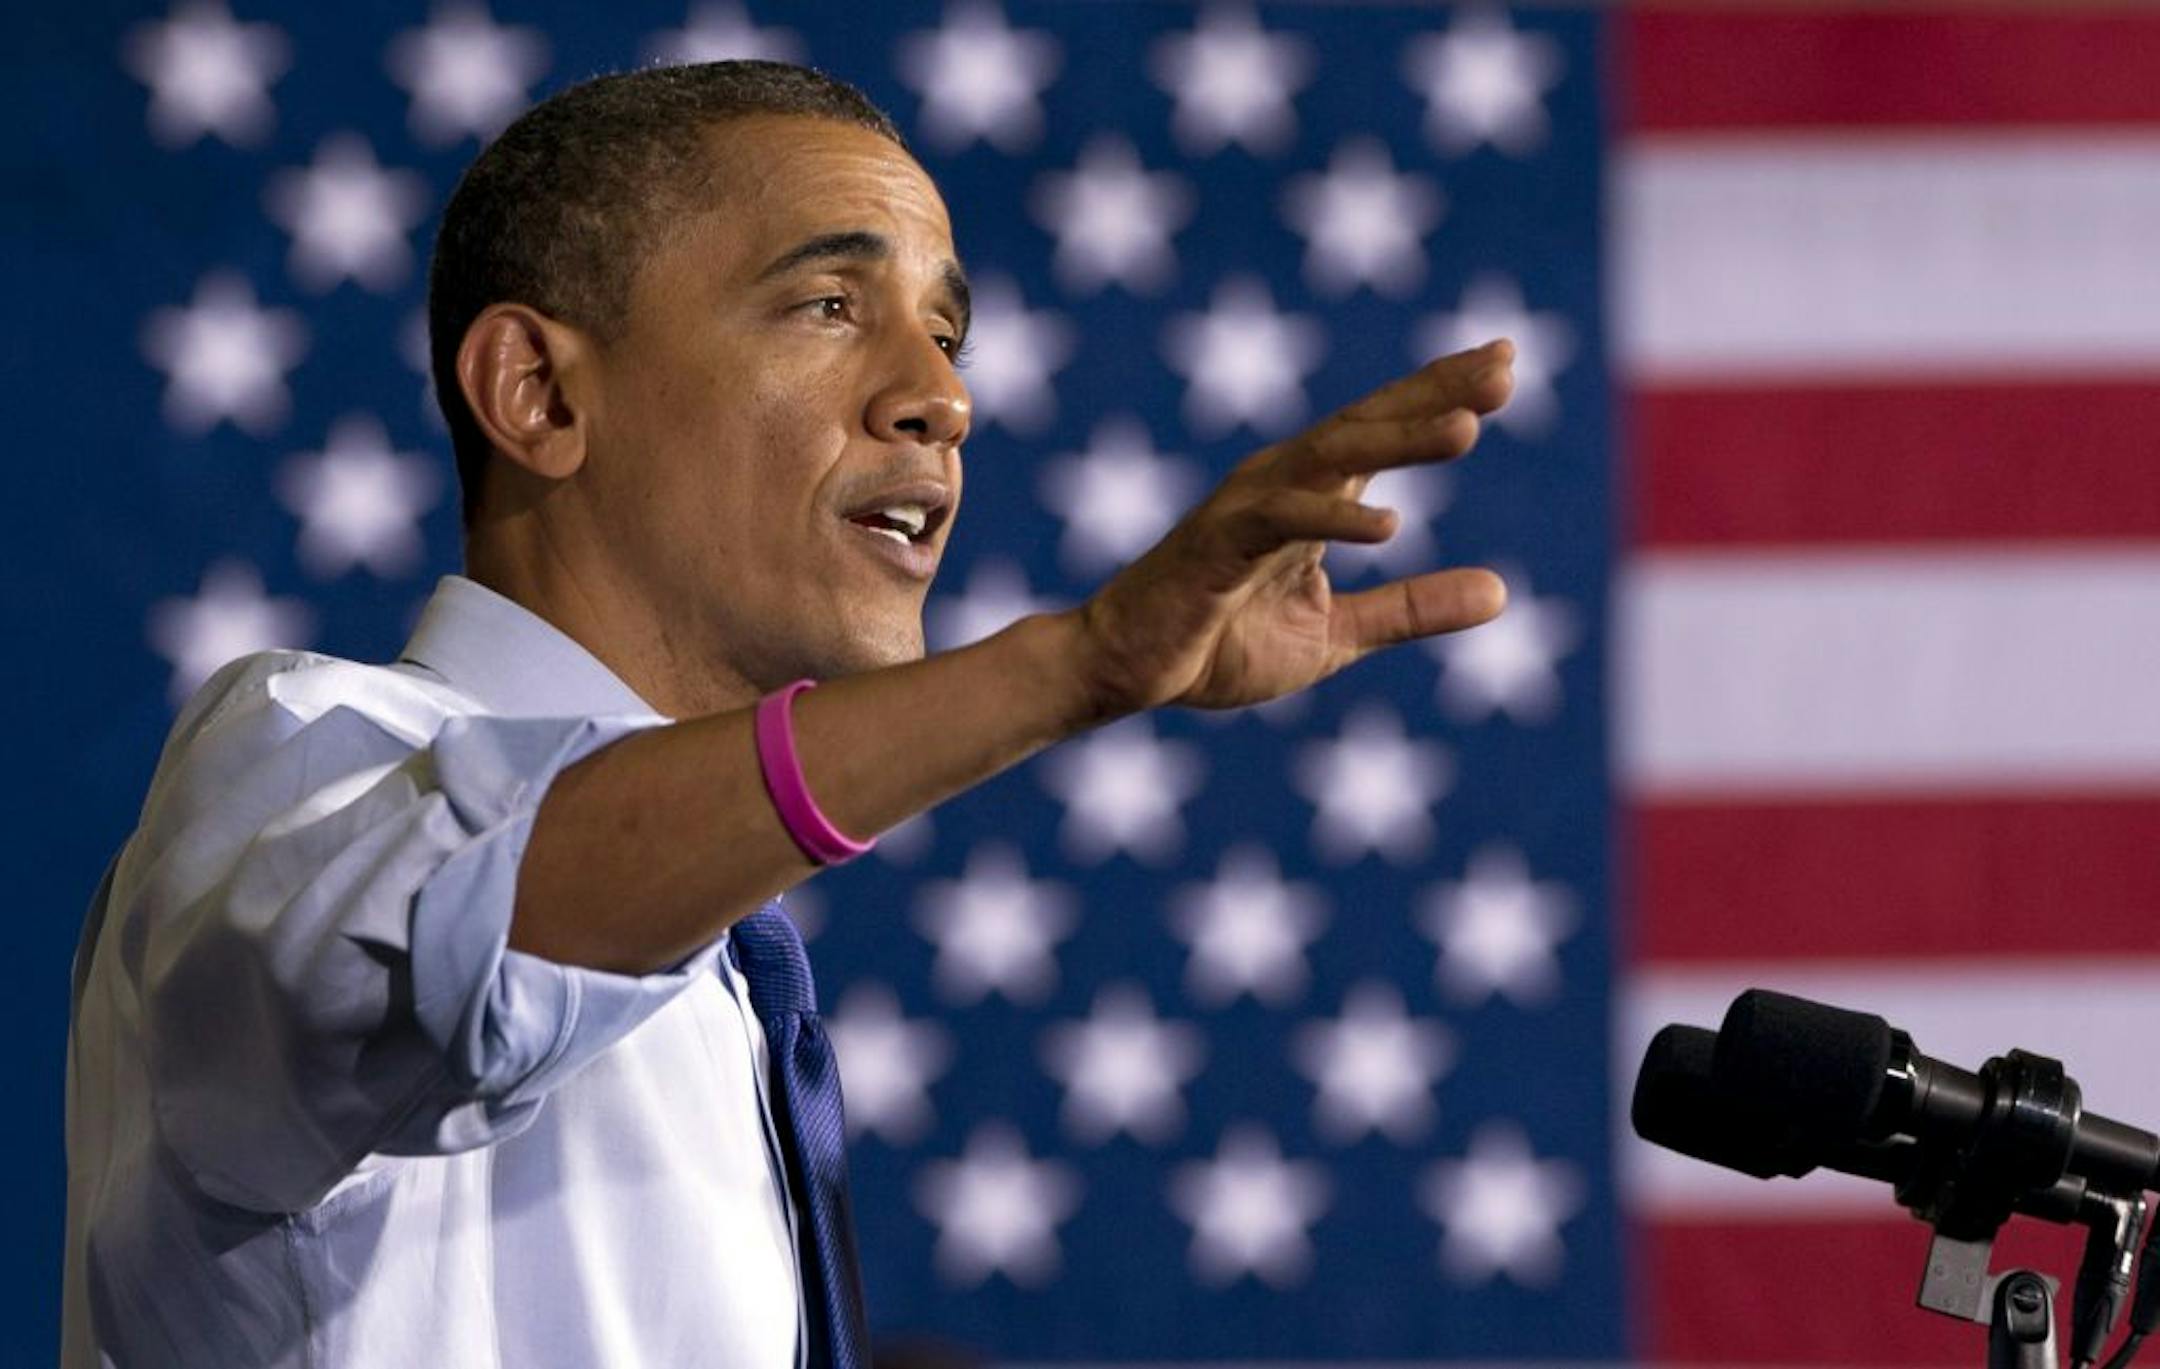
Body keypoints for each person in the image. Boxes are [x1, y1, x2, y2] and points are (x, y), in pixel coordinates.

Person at [62, 59, 1513, 1369]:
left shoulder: (719, 960)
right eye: (831, 305)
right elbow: (471, 916)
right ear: (538, 394)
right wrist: (1066, 666)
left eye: (947, 334)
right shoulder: (301, 758)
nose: (940, 396)